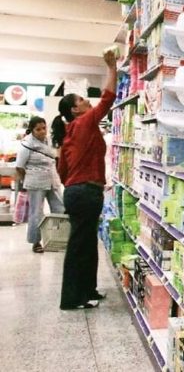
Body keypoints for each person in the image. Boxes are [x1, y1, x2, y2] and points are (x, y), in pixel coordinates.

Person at [52, 48, 117, 310]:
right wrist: (111, 67)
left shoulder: (71, 131)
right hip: (85, 192)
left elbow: (62, 170)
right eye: (81, 99)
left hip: (79, 191)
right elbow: (108, 98)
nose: (86, 100)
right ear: (74, 109)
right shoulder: (84, 122)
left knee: (87, 242)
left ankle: (88, 290)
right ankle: (71, 299)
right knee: (80, 245)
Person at [15, 117, 65, 253]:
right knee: (36, 212)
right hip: (35, 182)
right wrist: (27, 180)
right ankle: (36, 241)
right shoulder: (27, 144)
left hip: (52, 180)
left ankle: (58, 238)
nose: (42, 131)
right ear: (32, 130)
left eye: (44, 128)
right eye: (38, 129)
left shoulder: (49, 141)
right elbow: (19, 166)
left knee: (60, 208)